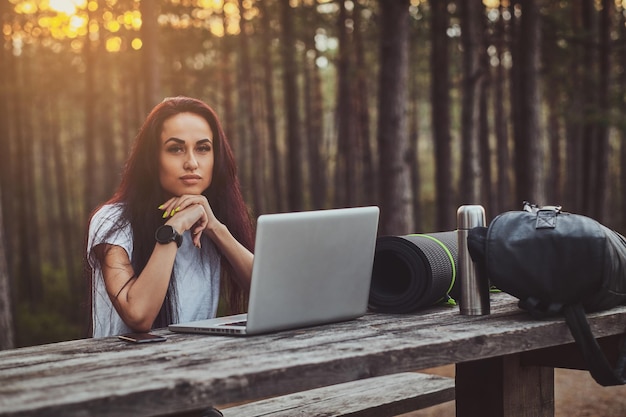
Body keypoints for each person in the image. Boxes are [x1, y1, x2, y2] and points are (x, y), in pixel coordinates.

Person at [87, 96, 255, 338]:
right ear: (152, 159)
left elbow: (270, 294)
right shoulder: (113, 220)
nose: (191, 162)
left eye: (203, 148)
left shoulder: (211, 222)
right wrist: (173, 228)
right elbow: (138, 314)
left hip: (197, 366)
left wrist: (216, 229)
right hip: (126, 370)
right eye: (176, 148)